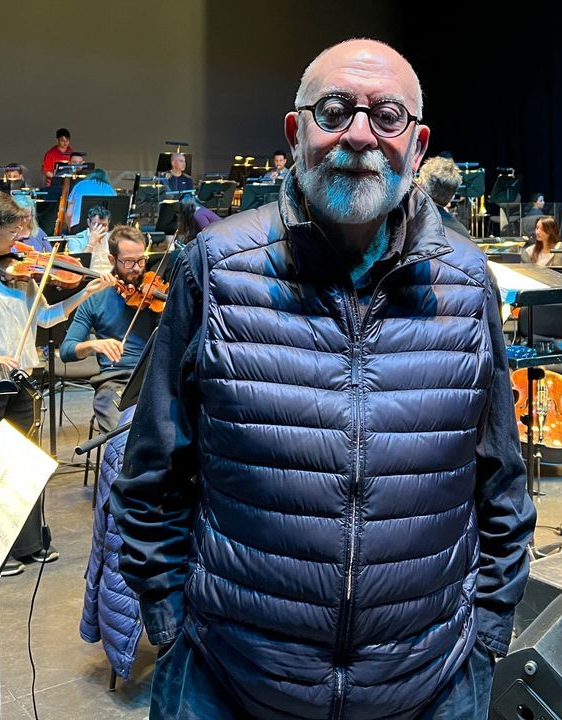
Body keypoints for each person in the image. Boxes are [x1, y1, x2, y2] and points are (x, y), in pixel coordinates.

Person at [112, 39, 534, 719]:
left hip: (429, 687)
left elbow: (500, 481)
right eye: (335, 110)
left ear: (417, 144)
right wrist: (170, 623)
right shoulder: (216, 269)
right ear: (296, 130)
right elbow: (151, 472)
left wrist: (487, 634)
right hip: (229, 683)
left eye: (387, 116)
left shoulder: (466, 280)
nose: (360, 135)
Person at [0, 190, 115, 576]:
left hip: (21, 382)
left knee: (19, 467)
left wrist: (84, 292)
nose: (21, 240)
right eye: (12, 231)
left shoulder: (17, 271)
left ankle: (25, 544)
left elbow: (46, 318)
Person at [60, 225, 160, 429]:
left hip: (155, 377)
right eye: (129, 262)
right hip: (116, 381)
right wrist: (94, 345)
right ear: (112, 260)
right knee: (124, 433)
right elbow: (67, 350)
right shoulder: (95, 297)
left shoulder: (155, 291)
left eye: (141, 260)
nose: (137, 268)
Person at [415, 154, 469, 237]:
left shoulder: (409, 224)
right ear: (452, 197)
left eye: (419, 178)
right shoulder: (462, 233)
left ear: (421, 184)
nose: (416, 181)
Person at [66, 204, 113, 272]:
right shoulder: (75, 240)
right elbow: (77, 267)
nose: (100, 229)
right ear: (88, 222)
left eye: (104, 225)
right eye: (96, 224)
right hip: (88, 277)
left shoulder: (112, 238)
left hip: (110, 276)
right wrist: (91, 244)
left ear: (108, 223)